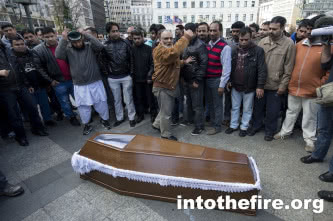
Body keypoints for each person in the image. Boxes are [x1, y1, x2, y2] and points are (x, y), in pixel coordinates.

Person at [274, 16, 331, 152]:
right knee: (291, 112)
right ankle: (285, 132)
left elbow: (329, 71)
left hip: (312, 90)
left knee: (309, 117)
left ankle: (309, 140)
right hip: (295, 87)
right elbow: (290, 65)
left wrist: (320, 85)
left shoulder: (326, 47)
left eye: (311, 30)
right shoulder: (299, 45)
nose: (308, 33)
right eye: (305, 31)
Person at [300, 16, 333, 201]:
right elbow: (325, 64)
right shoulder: (327, 43)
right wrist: (328, 44)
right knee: (324, 128)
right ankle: (318, 155)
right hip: (330, 93)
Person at [248, 16, 296, 141]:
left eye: (274, 29)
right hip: (261, 83)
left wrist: (283, 86)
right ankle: (256, 126)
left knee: (272, 111)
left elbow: (289, 67)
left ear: (282, 28)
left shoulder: (289, 44)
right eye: (270, 28)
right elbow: (256, 64)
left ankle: (270, 131)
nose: (271, 31)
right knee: (257, 108)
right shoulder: (262, 42)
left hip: (276, 85)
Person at [55, 30, 111, 135]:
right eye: (74, 42)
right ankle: (86, 124)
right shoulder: (68, 49)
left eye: (79, 41)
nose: (77, 44)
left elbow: (100, 46)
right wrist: (63, 39)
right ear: (71, 42)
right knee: (83, 106)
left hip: (95, 81)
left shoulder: (90, 46)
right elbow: (58, 55)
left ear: (82, 39)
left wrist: (85, 34)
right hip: (79, 84)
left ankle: (105, 120)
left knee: (101, 102)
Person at [0, 40, 48, 146]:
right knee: (14, 114)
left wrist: (28, 84)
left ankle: (37, 129)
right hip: (5, 89)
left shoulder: (8, 50)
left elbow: (20, 68)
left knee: (32, 107)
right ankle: (21, 136)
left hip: (21, 86)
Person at [152, 29, 194, 140]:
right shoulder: (159, 50)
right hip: (162, 86)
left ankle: (156, 124)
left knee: (164, 110)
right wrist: (186, 38)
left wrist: (184, 62)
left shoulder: (168, 49)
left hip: (166, 85)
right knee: (166, 113)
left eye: (171, 38)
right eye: (166, 38)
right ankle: (165, 134)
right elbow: (171, 55)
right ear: (160, 40)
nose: (169, 40)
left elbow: (172, 62)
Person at [33, 27, 80, 126]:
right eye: (47, 37)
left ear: (55, 34)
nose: (50, 39)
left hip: (73, 79)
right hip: (58, 82)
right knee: (65, 102)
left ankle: (87, 114)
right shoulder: (38, 50)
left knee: (80, 99)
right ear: (42, 37)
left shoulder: (65, 44)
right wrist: (50, 81)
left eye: (51, 36)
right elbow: (39, 68)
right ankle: (71, 117)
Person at [225, 27, 267, 137]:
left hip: (250, 85)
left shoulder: (258, 51)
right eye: (241, 39)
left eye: (246, 39)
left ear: (251, 38)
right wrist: (229, 80)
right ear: (238, 38)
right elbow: (229, 67)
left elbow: (262, 69)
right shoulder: (234, 50)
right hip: (235, 84)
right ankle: (233, 125)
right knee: (235, 107)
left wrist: (260, 86)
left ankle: (244, 127)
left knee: (247, 108)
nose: (243, 42)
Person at [11, 37, 56, 127]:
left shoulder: (32, 53)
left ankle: (48, 120)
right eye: (17, 45)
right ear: (12, 46)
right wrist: (27, 85)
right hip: (26, 88)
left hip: (39, 84)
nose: (20, 46)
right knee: (32, 108)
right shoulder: (11, 58)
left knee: (44, 104)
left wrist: (46, 83)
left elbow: (41, 68)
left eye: (22, 44)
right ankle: (37, 124)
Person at [104, 22, 136, 127]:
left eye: (117, 30)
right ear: (108, 32)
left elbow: (131, 58)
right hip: (112, 77)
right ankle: (119, 117)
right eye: (113, 31)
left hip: (126, 76)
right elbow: (102, 61)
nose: (116, 33)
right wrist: (107, 73)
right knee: (116, 99)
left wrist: (131, 73)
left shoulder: (126, 43)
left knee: (128, 99)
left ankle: (132, 117)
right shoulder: (105, 45)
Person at [205, 21, 231, 135]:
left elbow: (226, 68)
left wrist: (222, 85)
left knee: (217, 104)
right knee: (210, 103)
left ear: (220, 31)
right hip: (207, 79)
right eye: (210, 30)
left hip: (217, 80)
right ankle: (212, 122)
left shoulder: (225, 47)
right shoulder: (208, 45)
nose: (211, 32)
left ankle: (217, 127)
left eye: (214, 30)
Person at [181, 23, 208, 135]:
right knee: (189, 103)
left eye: (189, 32)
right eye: (185, 32)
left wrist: (197, 80)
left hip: (195, 80)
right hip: (186, 79)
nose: (187, 34)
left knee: (197, 105)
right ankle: (190, 120)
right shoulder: (184, 42)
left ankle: (199, 126)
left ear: (195, 32)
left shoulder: (200, 45)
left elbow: (203, 64)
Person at [131, 29, 157, 123]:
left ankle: (153, 114)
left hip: (147, 79)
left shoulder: (149, 49)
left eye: (139, 38)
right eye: (135, 38)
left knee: (150, 98)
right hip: (136, 79)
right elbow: (131, 64)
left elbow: (153, 64)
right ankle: (140, 115)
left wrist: (150, 76)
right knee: (138, 98)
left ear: (142, 38)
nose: (137, 40)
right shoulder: (131, 49)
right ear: (132, 39)